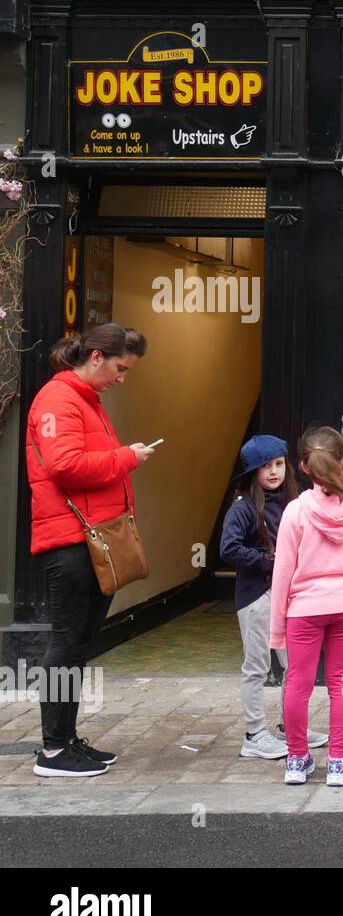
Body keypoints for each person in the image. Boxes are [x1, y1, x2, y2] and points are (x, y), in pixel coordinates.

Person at [25, 323, 152, 777]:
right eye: (119, 368)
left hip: (86, 540)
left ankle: (65, 740)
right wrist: (127, 458)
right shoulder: (60, 399)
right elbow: (65, 466)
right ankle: (54, 750)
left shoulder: (82, 399)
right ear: (96, 356)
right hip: (70, 543)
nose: (121, 378)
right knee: (66, 642)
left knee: (75, 643)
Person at [270, 426, 343, 787]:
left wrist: (276, 628)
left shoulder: (295, 512)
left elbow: (282, 573)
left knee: (297, 683)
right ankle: (337, 761)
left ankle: (297, 760)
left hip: (304, 610)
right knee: (342, 680)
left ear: (303, 467)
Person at [220, 434, 329, 759]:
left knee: (294, 665)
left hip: (291, 596)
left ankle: (290, 727)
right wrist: (269, 561)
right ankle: (254, 735)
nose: (273, 471)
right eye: (265, 466)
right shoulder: (242, 508)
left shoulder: (296, 502)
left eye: (278, 464)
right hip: (256, 596)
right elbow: (228, 548)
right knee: (256, 666)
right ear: (253, 471)